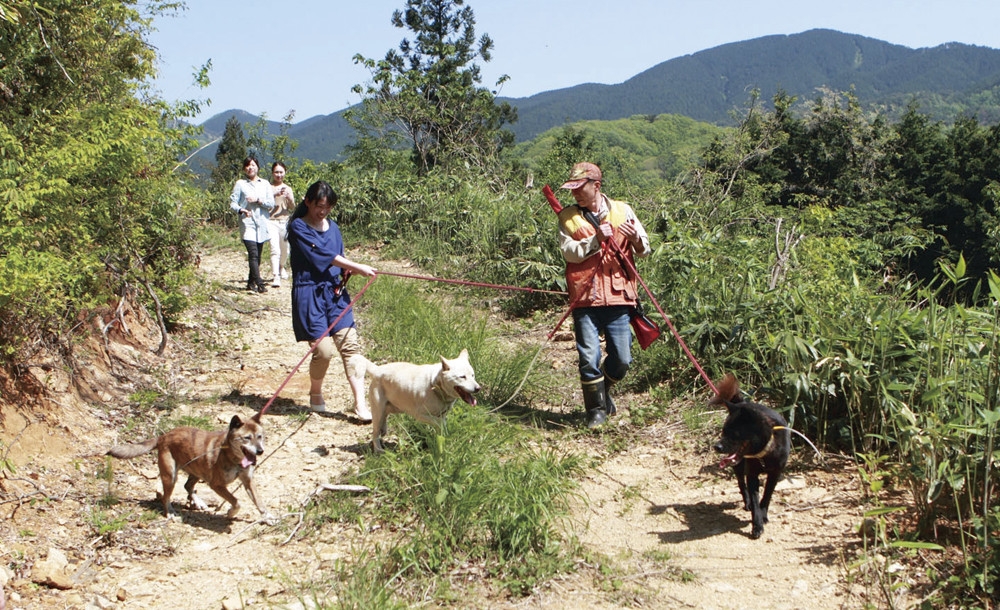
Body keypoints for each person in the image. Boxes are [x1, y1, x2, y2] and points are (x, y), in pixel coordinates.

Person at [557, 162, 651, 428]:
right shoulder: (568, 217)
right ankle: (595, 411)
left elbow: (645, 249)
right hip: (585, 297)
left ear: (596, 186)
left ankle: (603, 389)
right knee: (589, 357)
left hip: (619, 295)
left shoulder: (624, 210)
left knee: (622, 359)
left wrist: (636, 240)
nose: (574, 194)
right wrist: (596, 239)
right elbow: (569, 253)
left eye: (579, 188)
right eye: (572, 189)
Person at [286, 181, 377, 420]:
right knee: (324, 351)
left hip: (335, 293)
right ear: (307, 202)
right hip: (310, 294)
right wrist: (356, 266)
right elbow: (323, 255)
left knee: (351, 347)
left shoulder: (333, 227)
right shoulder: (298, 227)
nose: (323, 211)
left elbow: (339, 257)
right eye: (319, 206)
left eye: (327, 207)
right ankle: (315, 391)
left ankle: (360, 404)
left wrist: (349, 270)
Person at [229, 156, 275, 293]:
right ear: (244, 169)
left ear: (258, 167)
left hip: (262, 223)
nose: (250, 168)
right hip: (247, 223)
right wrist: (240, 209)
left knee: (258, 255)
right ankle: (260, 283)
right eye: (248, 166)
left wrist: (258, 200)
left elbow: (271, 203)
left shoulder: (265, 183)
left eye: (253, 165)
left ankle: (250, 283)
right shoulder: (240, 184)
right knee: (253, 253)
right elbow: (232, 202)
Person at [267, 161, 294, 287]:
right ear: (272, 173)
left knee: (285, 249)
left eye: (281, 172)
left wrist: (289, 198)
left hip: (284, 221)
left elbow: (292, 207)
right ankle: (275, 276)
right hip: (270, 221)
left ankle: (281, 267)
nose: (279, 175)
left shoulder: (288, 188)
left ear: (285, 173)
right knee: (274, 248)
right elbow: (264, 203)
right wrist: (274, 195)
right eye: (276, 172)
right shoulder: (268, 187)